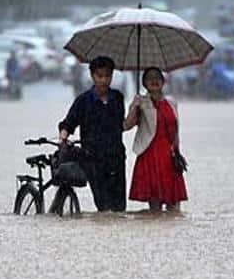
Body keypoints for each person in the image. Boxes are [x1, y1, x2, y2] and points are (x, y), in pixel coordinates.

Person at [58, 56, 135, 212]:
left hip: (116, 158)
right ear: (92, 75)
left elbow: (120, 126)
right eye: (100, 76)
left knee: (119, 208)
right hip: (93, 159)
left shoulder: (117, 98)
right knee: (104, 206)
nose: (103, 80)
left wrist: (135, 111)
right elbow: (68, 123)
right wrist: (63, 138)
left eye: (107, 76)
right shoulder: (83, 100)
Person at [127, 67, 188, 212]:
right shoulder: (141, 103)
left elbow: (175, 130)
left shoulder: (172, 102)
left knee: (174, 207)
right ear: (144, 83)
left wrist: (177, 151)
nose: (154, 81)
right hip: (150, 156)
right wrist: (134, 107)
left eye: (157, 78)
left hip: (170, 157)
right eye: (149, 78)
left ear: (163, 81)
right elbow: (126, 125)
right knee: (155, 209)